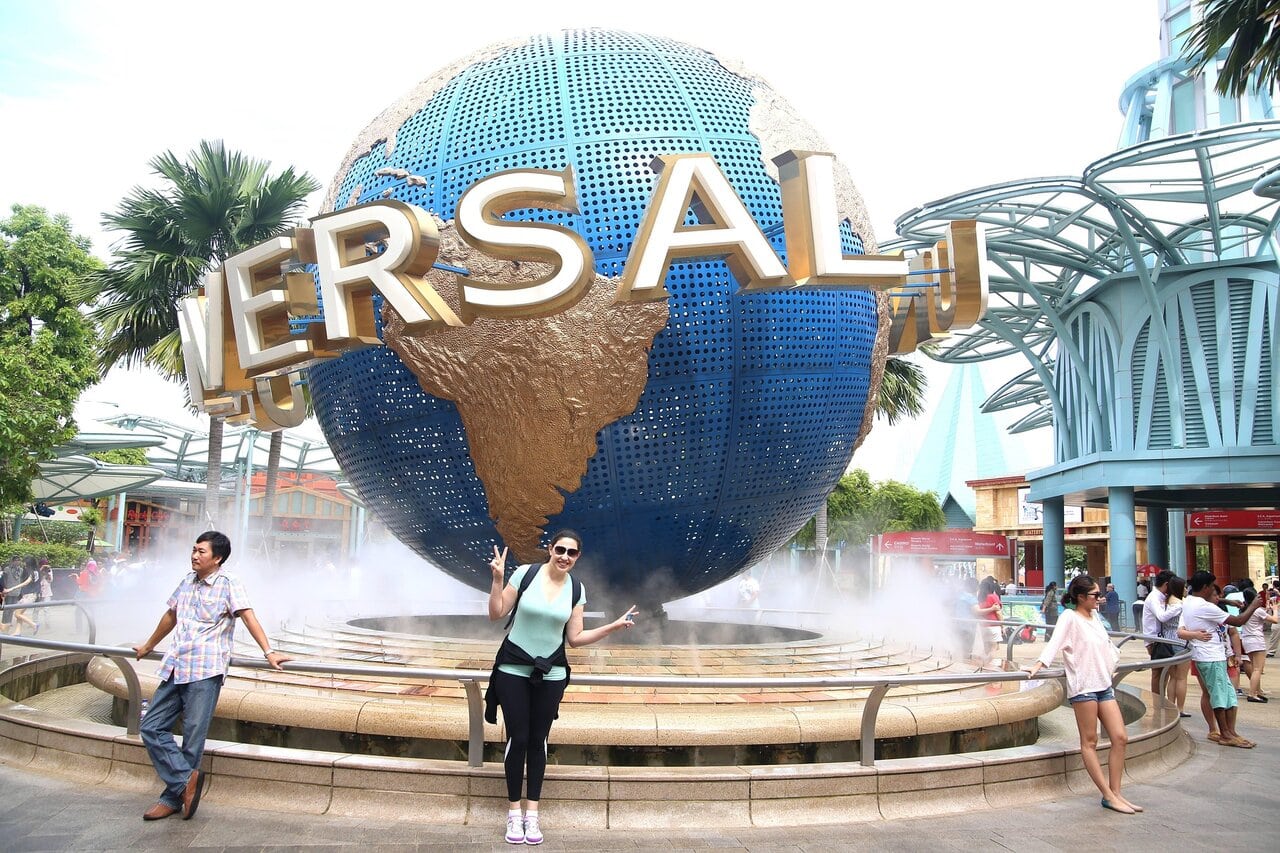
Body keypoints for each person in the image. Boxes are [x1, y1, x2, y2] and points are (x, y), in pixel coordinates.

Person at [485, 530, 637, 846]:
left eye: (572, 552)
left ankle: (533, 814)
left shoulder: (576, 590)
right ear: (550, 549)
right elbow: (496, 613)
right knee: (519, 737)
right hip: (512, 668)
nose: (565, 556)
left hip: (551, 673)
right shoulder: (525, 574)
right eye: (560, 549)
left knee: (539, 741)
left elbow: (575, 638)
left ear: (578, 557)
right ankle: (514, 812)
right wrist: (498, 579)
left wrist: (613, 626)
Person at [132, 531, 290, 822]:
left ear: (217, 558)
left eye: (201, 552)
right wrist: (149, 645)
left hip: (205, 670)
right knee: (151, 727)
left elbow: (247, 614)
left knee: (193, 738)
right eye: (193, 550)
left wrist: (268, 651)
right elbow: (171, 615)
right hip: (176, 665)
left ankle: (172, 797)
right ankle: (184, 784)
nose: (194, 555)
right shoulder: (186, 581)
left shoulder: (229, 584)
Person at [1025, 575, 1138, 813]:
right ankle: (1107, 794)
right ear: (1080, 597)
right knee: (1090, 742)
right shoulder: (1069, 617)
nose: (1100, 599)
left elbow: (1106, 645)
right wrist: (1038, 665)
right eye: (1096, 595)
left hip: (1104, 685)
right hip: (1084, 688)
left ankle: (1116, 792)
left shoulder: (1095, 616)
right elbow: (1054, 644)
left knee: (1120, 737)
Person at [1177, 571, 1265, 749]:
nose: (1214, 592)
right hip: (1210, 656)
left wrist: (1228, 601)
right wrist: (1254, 606)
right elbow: (1239, 621)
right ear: (1205, 588)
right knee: (1219, 696)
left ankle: (1230, 732)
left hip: (1214, 656)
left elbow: (1212, 602)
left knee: (1229, 696)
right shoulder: (1204, 607)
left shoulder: (1190, 601)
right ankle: (1225, 733)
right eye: (1212, 588)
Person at [1239, 588, 1276, 702]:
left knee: (1254, 667)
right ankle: (1252, 693)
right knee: (1257, 669)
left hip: (1247, 639)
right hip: (1256, 640)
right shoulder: (1257, 610)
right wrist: (1275, 609)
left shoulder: (1244, 609)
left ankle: (1257, 691)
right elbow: (1274, 620)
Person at [975, 577, 1003, 668]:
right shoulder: (993, 597)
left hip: (983, 626)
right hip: (994, 626)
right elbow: (998, 612)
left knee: (986, 648)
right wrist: (1002, 625)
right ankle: (989, 666)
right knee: (994, 648)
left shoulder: (979, 599)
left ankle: (984, 665)